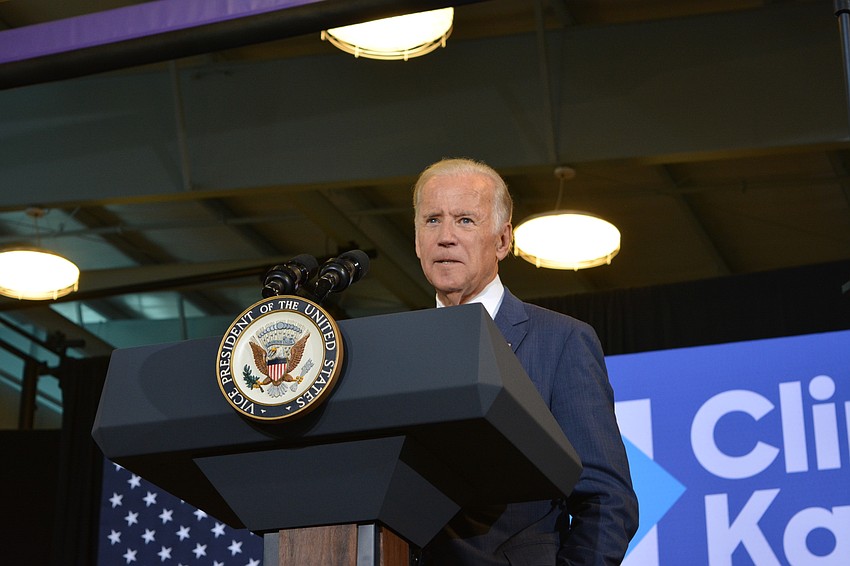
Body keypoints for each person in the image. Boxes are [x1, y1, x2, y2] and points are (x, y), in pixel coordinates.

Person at [412, 157, 638, 565]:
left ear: (502, 241)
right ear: (416, 240)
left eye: (464, 220)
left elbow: (606, 499)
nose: (445, 237)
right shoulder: (401, 349)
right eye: (432, 220)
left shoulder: (562, 341)